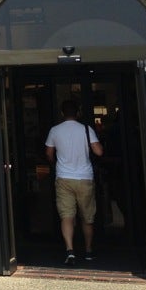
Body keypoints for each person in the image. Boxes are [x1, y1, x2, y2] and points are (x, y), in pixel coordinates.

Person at [45, 99, 103, 265]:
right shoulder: (86, 129)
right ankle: (88, 250)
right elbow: (99, 152)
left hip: (63, 177)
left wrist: (55, 164)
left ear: (62, 113)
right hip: (85, 177)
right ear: (78, 113)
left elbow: (48, 153)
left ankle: (70, 251)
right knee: (87, 217)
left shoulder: (55, 130)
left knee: (67, 216)